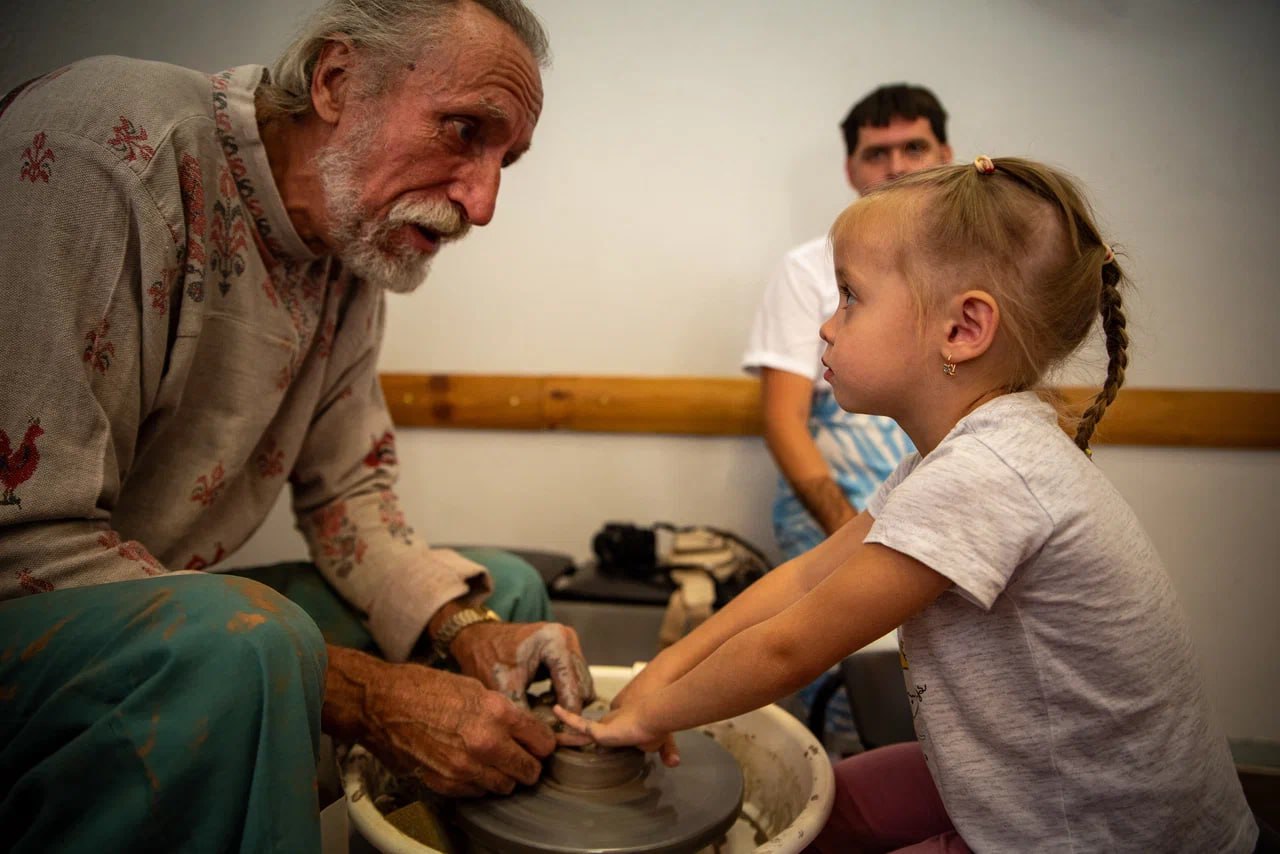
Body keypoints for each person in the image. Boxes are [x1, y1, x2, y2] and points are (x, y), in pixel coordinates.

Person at [0, 1, 594, 850]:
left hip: (151, 617)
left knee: (503, 596)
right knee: (251, 646)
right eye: (465, 131)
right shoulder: (111, 148)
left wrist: (468, 629)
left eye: (509, 159)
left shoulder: (350, 252)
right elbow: (19, 539)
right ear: (336, 81)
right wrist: (366, 697)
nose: (484, 201)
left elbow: (349, 496)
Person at [558, 156, 1258, 852]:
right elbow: (804, 578)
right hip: (1048, 778)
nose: (827, 328)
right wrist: (659, 679)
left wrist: (654, 717)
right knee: (833, 806)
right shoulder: (948, 458)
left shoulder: (987, 473)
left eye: (850, 298)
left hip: (1105, 832)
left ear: (962, 330)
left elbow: (789, 648)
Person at [743, 82, 954, 755]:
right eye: (876, 153)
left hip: (946, 519)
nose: (895, 166)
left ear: (945, 153)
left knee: (944, 716)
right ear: (851, 169)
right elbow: (784, 422)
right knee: (850, 721)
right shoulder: (809, 272)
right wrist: (851, 542)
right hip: (836, 521)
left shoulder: (976, 272)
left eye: (913, 147)